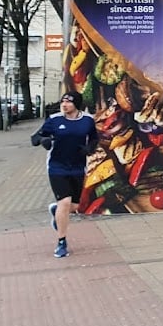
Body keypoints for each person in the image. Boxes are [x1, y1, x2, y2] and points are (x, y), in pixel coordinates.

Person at [30, 91, 98, 258]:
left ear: (76, 104)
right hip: (57, 167)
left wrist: (90, 149)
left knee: (74, 206)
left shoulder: (87, 120)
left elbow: (95, 138)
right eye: (62, 102)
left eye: (68, 102)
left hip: (77, 167)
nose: (64, 105)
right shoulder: (55, 120)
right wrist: (43, 141)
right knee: (65, 202)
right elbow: (35, 138)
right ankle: (62, 242)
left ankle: (56, 211)